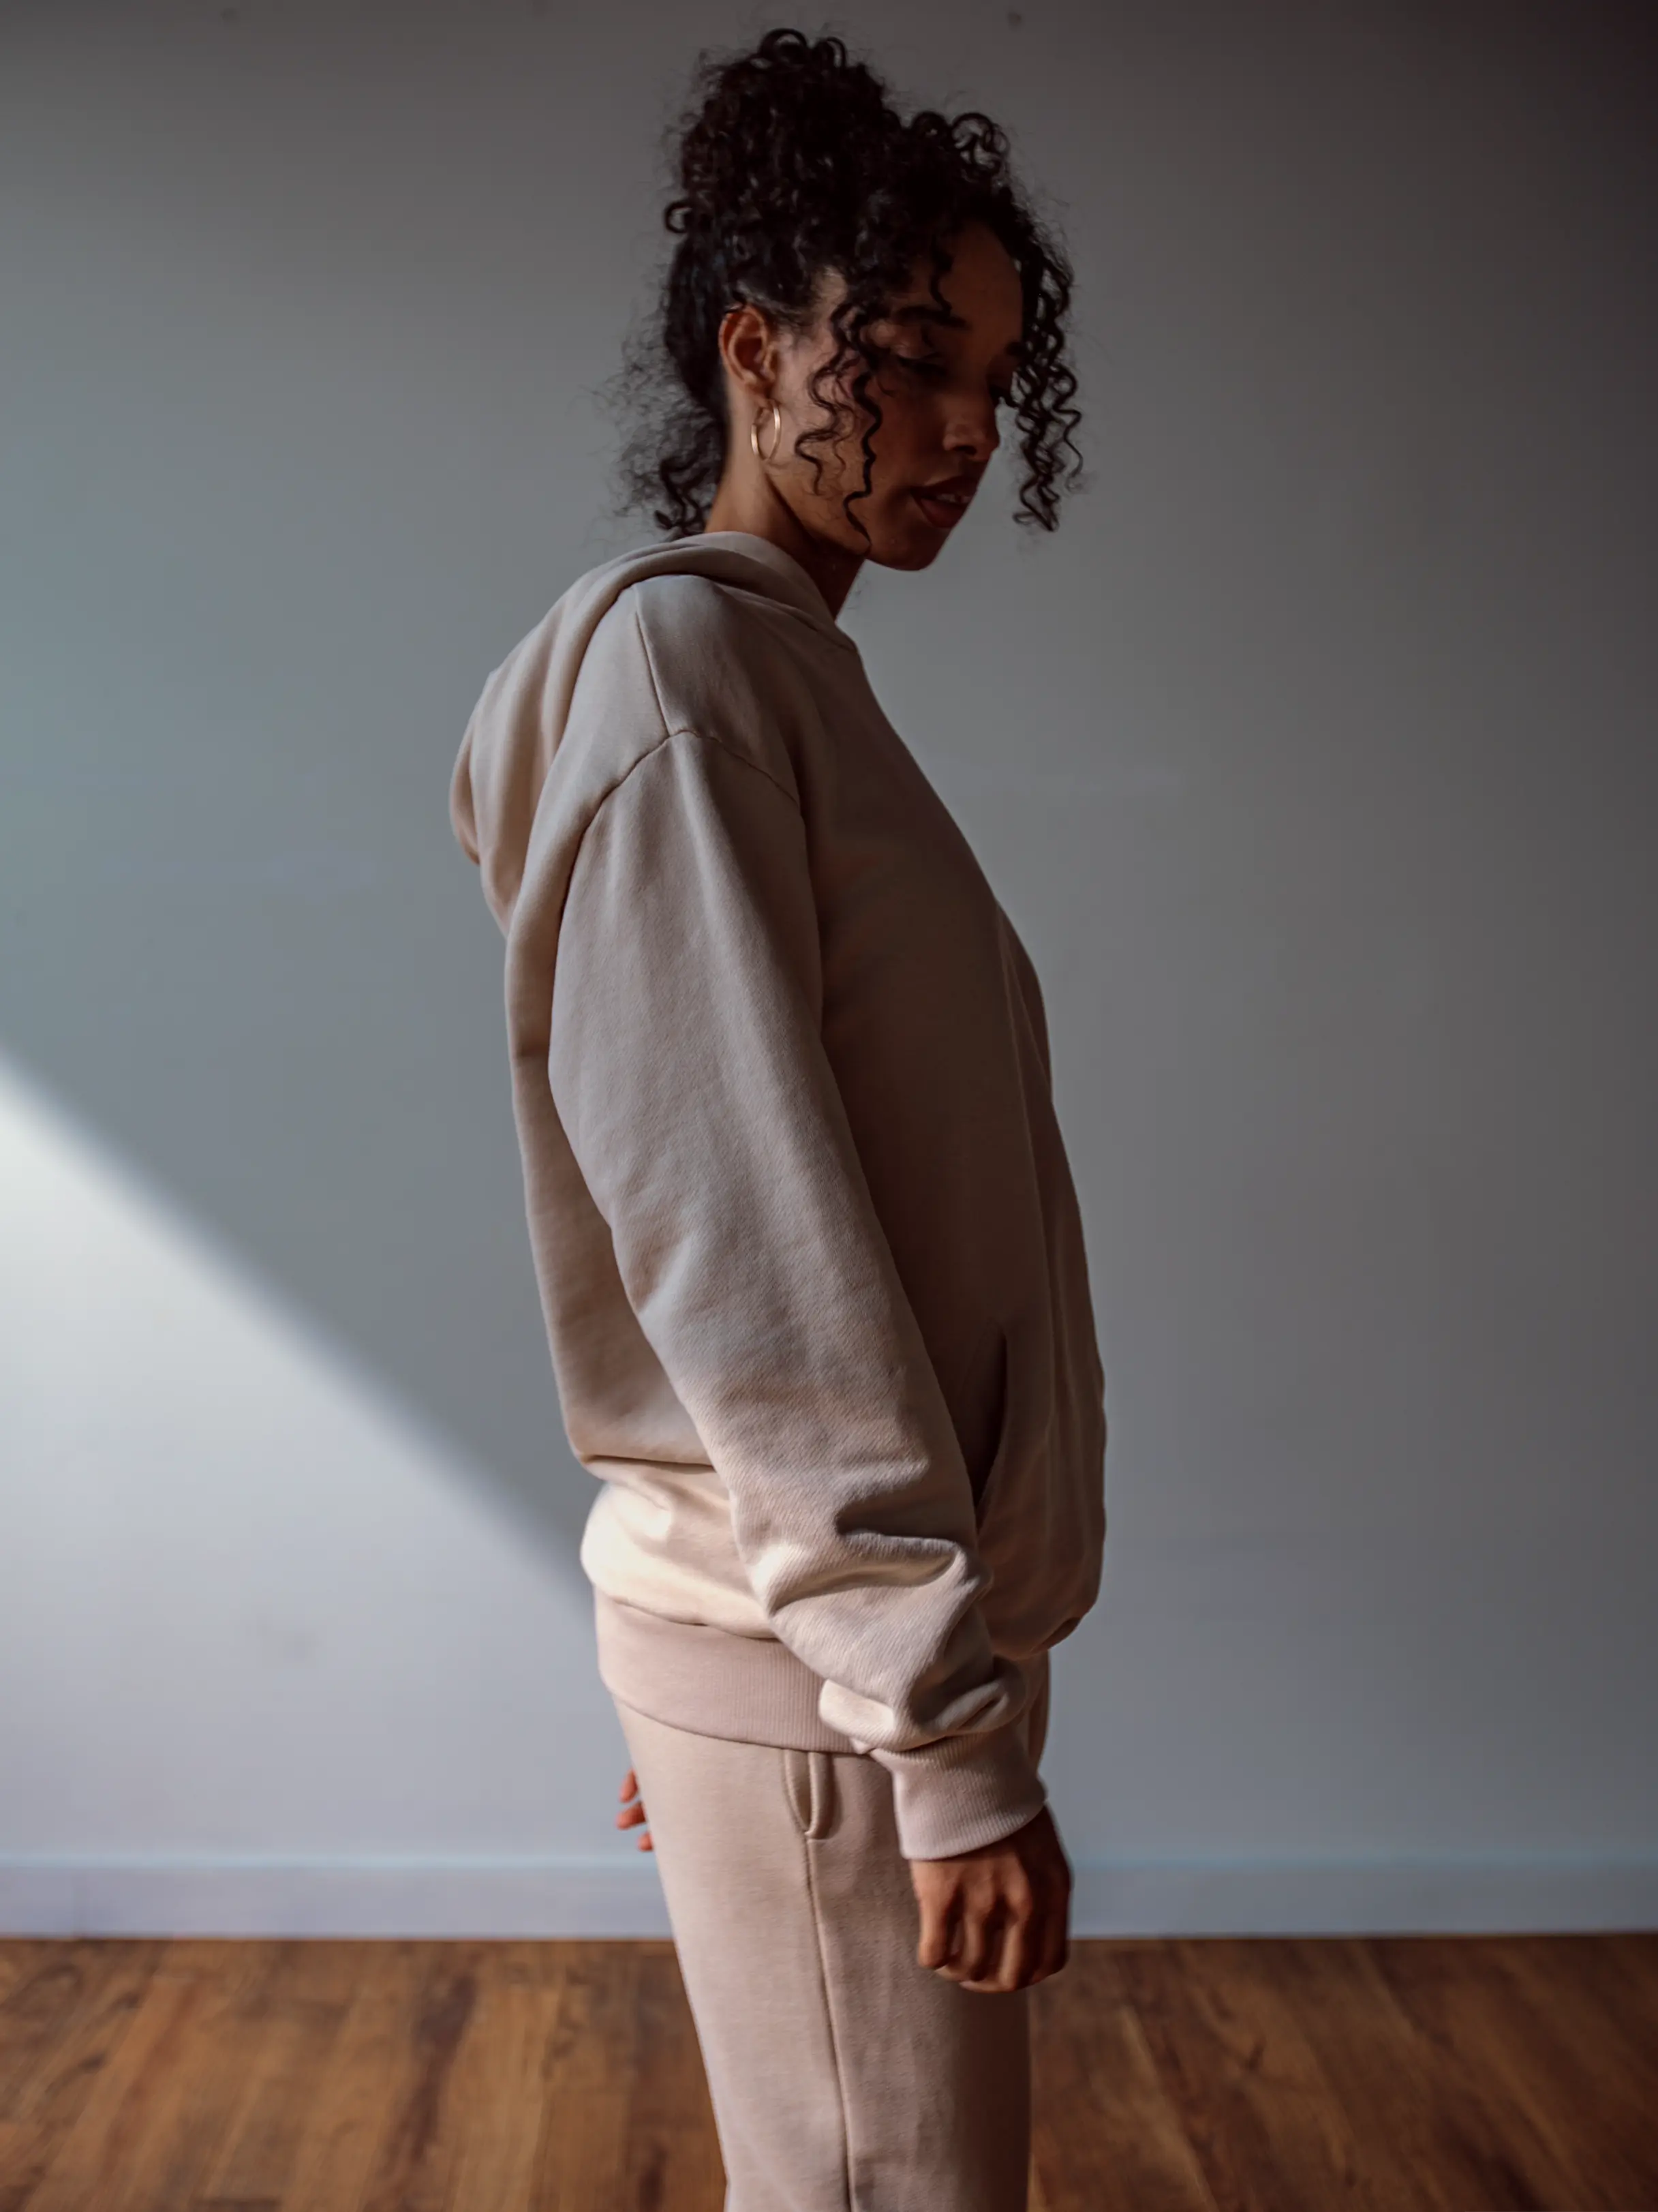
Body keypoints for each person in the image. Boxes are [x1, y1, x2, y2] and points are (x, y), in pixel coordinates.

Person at [449, 27, 1107, 2211]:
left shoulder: (774, 681)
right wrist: (919, 1721)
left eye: (993, 381)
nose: (960, 428)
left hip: (810, 1643)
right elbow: (743, 1242)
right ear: (755, 350)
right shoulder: (682, 686)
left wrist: (827, 1667)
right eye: (908, 361)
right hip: (836, 1659)